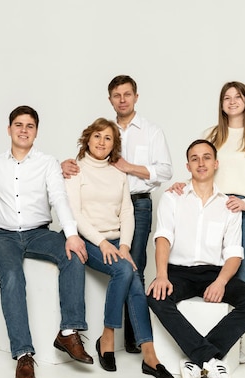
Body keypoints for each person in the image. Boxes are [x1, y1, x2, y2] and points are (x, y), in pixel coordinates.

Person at [0, 105, 93, 378]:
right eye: (18, 124)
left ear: (36, 131)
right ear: (9, 129)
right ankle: (24, 354)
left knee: (73, 255)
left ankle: (67, 332)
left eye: (29, 125)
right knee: (12, 277)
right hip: (3, 236)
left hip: (39, 232)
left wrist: (72, 234)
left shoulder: (48, 163)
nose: (23, 130)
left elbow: (59, 198)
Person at [168, 81, 245, 363]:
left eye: (237, 97)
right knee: (215, 267)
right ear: (221, 104)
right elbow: (202, 166)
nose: (232, 101)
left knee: (242, 271)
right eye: (226, 98)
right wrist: (182, 186)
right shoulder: (213, 134)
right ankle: (212, 336)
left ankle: (236, 340)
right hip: (217, 206)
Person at [62, 75, 172, 353]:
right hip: (100, 217)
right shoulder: (94, 148)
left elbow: (166, 171)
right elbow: (74, 199)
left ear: (136, 96)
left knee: (136, 267)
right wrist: (61, 164)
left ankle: (136, 342)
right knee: (127, 269)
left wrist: (129, 167)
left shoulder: (151, 131)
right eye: (116, 95)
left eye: (127, 94)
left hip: (139, 204)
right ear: (110, 99)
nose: (122, 99)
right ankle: (116, 338)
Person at [146, 139, 245, 378]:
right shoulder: (173, 197)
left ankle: (196, 360)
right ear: (187, 165)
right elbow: (163, 237)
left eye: (207, 157)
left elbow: (234, 253)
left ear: (216, 163)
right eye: (195, 158)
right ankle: (210, 360)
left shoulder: (229, 205)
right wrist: (162, 275)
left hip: (214, 273)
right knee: (156, 297)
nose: (201, 163)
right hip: (179, 272)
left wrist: (221, 281)